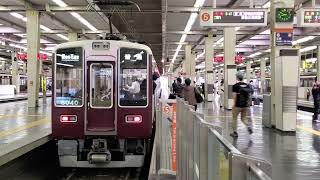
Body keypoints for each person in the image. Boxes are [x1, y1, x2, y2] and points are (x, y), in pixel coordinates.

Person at [230, 72, 254, 138]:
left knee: (234, 118)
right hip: (245, 105)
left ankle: (235, 133)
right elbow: (249, 96)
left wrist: (234, 105)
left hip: (237, 105)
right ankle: (248, 126)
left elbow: (234, 96)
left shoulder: (235, 86)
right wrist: (248, 104)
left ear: (237, 77)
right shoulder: (247, 85)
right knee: (243, 118)